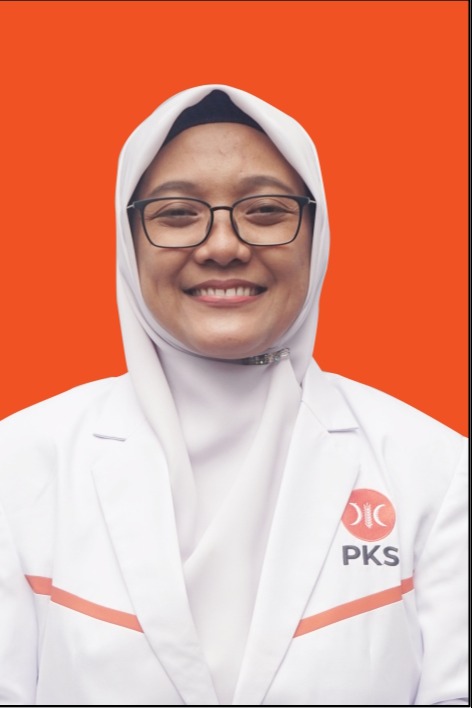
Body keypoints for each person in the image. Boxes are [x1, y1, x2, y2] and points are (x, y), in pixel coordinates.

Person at [0, 85, 467, 706]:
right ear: (128, 241)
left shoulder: (436, 470)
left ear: (317, 236)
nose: (223, 246)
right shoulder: (19, 464)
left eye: (266, 211)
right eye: (177, 214)